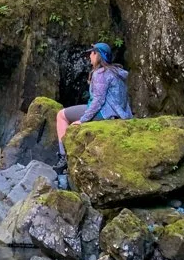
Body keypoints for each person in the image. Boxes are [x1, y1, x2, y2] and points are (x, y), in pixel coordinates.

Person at [54, 42, 133, 172]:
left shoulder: (101, 73)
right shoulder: (117, 73)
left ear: (97, 54)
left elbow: (98, 101)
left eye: (92, 52)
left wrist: (83, 120)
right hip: (119, 114)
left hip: (105, 113)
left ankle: (63, 156)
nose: (90, 55)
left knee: (61, 115)